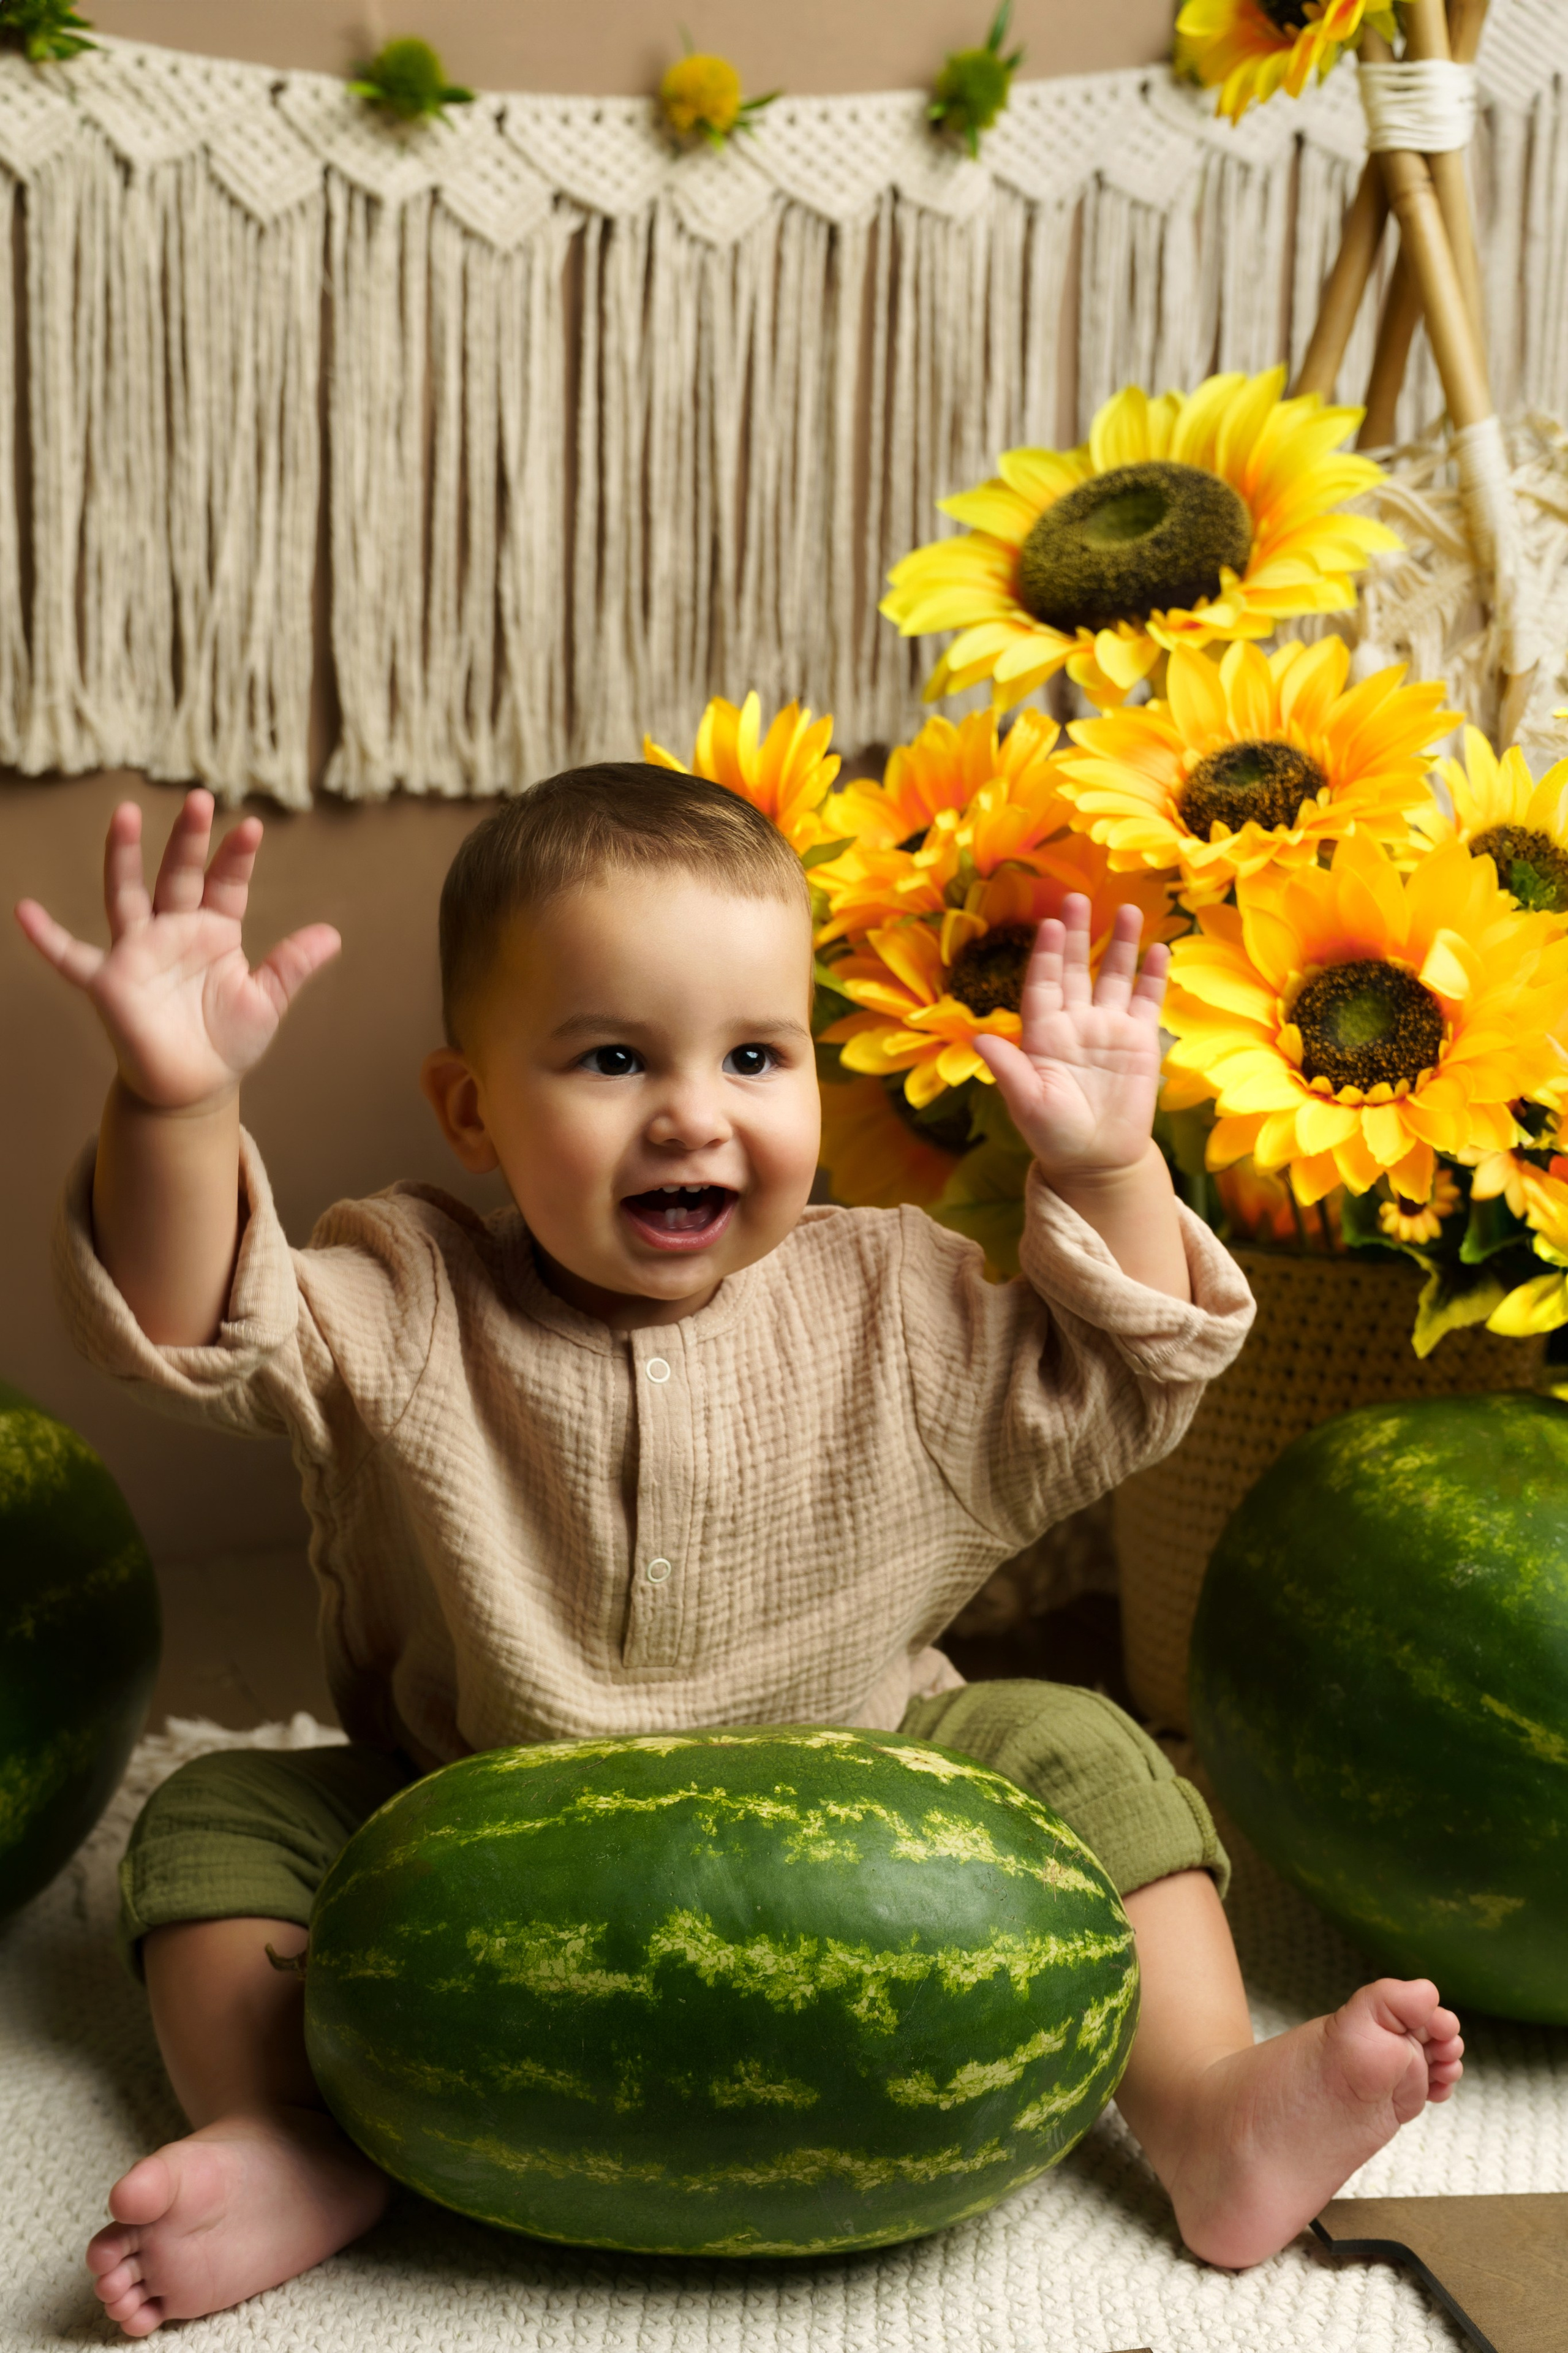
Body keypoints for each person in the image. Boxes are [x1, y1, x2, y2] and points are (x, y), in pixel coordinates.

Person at [18, 771, 1463, 2340]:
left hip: (872, 1776)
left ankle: (1199, 2105)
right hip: (468, 1804)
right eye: (614, 1057)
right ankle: (289, 2129)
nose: (693, 1111)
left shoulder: (891, 1309)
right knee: (219, 1819)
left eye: (754, 1056)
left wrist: (1108, 1164)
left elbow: (1121, 1378)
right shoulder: (410, 1296)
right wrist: (175, 1102)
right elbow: (197, 1327)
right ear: (471, 1109)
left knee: (1081, 1745)